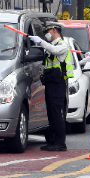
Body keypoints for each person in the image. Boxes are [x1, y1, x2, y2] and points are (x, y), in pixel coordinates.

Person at [29, 22, 74, 152]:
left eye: (48, 32)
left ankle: (60, 142)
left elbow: (54, 51)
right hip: (50, 83)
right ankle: (53, 141)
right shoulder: (52, 46)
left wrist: (41, 42)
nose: (46, 35)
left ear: (53, 30)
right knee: (51, 113)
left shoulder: (62, 45)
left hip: (58, 83)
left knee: (56, 113)